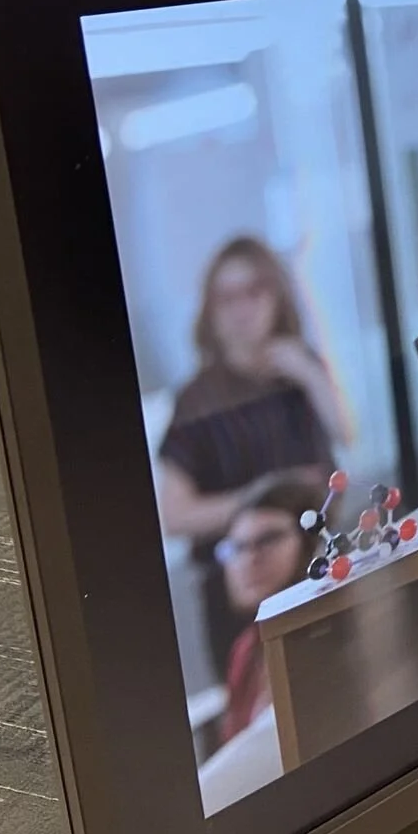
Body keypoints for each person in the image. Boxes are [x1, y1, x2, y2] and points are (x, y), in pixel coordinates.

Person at [158, 236, 347, 656]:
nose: (243, 308)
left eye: (255, 291)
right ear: (210, 310)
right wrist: (263, 497)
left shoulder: (299, 368)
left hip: (315, 570)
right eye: (227, 298)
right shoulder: (197, 400)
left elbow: (347, 433)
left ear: (277, 296)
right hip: (244, 594)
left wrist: (309, 374)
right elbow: (175, 515)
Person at [211, 472, 317, 747]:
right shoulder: (245, 649)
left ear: (309, 544)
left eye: (268, 539)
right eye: (237, 547)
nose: (250, 559)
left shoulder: (326, 634)